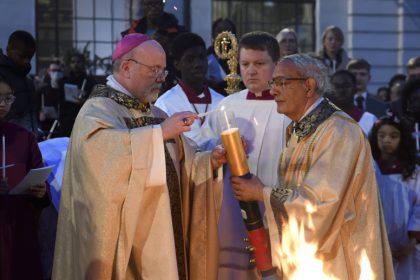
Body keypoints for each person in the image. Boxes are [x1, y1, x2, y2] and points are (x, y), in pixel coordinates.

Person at [52, 33, 227, 280]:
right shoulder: (97, 111)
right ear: (126, 67)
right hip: (128, 240)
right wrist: (160, 133)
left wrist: (210, 161)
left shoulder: (154, 111)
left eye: (164, 71)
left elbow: (185, 160)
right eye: (155, 69)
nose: (161, 78)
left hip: (163, 233)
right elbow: (102, 163)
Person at [231, 54, 394, 279]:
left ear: (308, 86)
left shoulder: (338, 132)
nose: (273, 91)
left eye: (281, 82)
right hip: (305, 261)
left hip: (335, 262)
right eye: (273, 83)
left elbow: (321, 206)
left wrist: (262, 193)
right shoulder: (300, 130)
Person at [212, 31, 290, 279]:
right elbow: (204, 150)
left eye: (259, 64)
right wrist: (218, 152)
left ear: (276, 65)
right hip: (237, 213)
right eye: (245, 64)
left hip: (280, 207)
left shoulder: (290, 107)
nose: (251, 71)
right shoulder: (226, 106)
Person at [0, 77, 50, 280]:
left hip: (19, 226)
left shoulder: (23, 137)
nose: (3, 104)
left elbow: (38, 174)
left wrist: (40, 191)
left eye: (8, 98)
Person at [368, 115, 419, 280]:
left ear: (402, 139)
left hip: (410, 247)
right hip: (378, 244)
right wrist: (380, 244)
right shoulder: (370, 169)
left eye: (393, 136)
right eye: (381, 136)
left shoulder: (413, 172)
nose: (386, 140)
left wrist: (411, 243)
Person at [155, 32, 224, 150]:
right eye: (190, 59)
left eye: (202, 57)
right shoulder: (165, 104)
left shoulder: (222, 101)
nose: (198, 64)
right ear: (177, 64)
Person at [122, 0, 187, 94]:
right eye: (149, 3)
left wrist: (169, 48)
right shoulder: (131, 34)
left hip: (172, 88)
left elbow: (186, 60)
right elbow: (124, 63)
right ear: (143, 6)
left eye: (157, 3)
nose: (153, 7)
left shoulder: (178, 32)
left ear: (163, 4)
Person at [0, 30, 38, 134]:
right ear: (8, 50)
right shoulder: (2, 78)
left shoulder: (28, 81)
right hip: (8, 144)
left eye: (30, 57)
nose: (26, 61)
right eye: (22, 56)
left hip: (28, 142)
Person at [58, 51, 96, 137]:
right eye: (73, 62)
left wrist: (85, 101)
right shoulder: (63, 82)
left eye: (78, 62)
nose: (76, 64)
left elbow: (96, 102)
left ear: (83, 63)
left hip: (84, 122)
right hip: (67, 122)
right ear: (70, 64)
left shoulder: (90, 82)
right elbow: (59, 101)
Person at [329, 69, 377, 135]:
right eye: (336, 86)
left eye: (346, 86)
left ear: (354, 89)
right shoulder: (322, 120)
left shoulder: (369, 119)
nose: (341, 90)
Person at [207, 17, 238, 96]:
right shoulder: (206, 54)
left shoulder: (239, 56)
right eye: (219, 31)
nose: (223, 34)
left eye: (227, 31)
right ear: (213, 34)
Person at [36, 60, 64, 136]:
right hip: (47, 129)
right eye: (54, 70)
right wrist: (39, 114)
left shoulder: (65, 90)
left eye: (59, 70)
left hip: (63, 128)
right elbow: (34, 108)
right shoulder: (41, 91)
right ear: (48, 71)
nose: (56, 73)